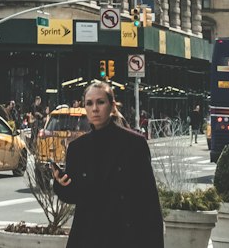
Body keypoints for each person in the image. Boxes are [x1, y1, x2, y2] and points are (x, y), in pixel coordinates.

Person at [52, 78, 163, 248]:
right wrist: (61, 184)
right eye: (89, 103)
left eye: (100, 102)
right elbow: (74, 196)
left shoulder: (134, 144)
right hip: (88, 235)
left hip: (125, 236)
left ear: (112, 106)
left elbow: (149, 201)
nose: (94, 108)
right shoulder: (77, 148)